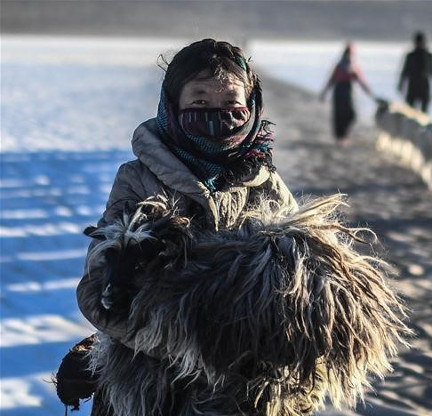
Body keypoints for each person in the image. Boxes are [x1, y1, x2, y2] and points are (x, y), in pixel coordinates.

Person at [72, 38, 296, 415]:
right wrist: (187, 344)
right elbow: (97, 288)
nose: (217, 114)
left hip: (244, 393)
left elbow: (299, 286)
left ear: (251, 107)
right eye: (200, 102)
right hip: (149, 390)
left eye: (230, 104)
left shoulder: (268, 186)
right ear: (173, 107)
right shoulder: (138, 179)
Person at [319, 42, 373, 146]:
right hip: (339, 91)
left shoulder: (354, 65)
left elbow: (361, 81)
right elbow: (331, 79)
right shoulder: (339, 65)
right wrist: (325, 92)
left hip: (349, 92)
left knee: (351, 115)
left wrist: (369, 92)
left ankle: (344, 136)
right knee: (339, 115)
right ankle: (340, 137)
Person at [397, 31, 432, 113]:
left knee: (424, 112)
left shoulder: (428, 56)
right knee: (410, 112)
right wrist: (400, 84)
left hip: (423, 87)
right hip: (413, 86)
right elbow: (405, 72)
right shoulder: (411, 56)